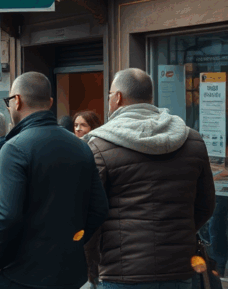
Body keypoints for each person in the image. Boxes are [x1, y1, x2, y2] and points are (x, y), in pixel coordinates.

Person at [83, 68, 215, 288]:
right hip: (179, 268)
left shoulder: (99, 146)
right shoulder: (192, 140)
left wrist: (92, 265)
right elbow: (206, 205)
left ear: (117, 98)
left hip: (121, 271)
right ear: (150, 98)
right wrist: (178, 234)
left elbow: (91, 214)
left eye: (109, 96)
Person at [0, 72, 108, 289]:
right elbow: (98, 208)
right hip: (70, 272)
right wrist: (72, 242)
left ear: (17, 101)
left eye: (9, 102)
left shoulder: (14, 148)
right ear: (50, 102)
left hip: (21, 274)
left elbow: (7, 217)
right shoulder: (81, 146)